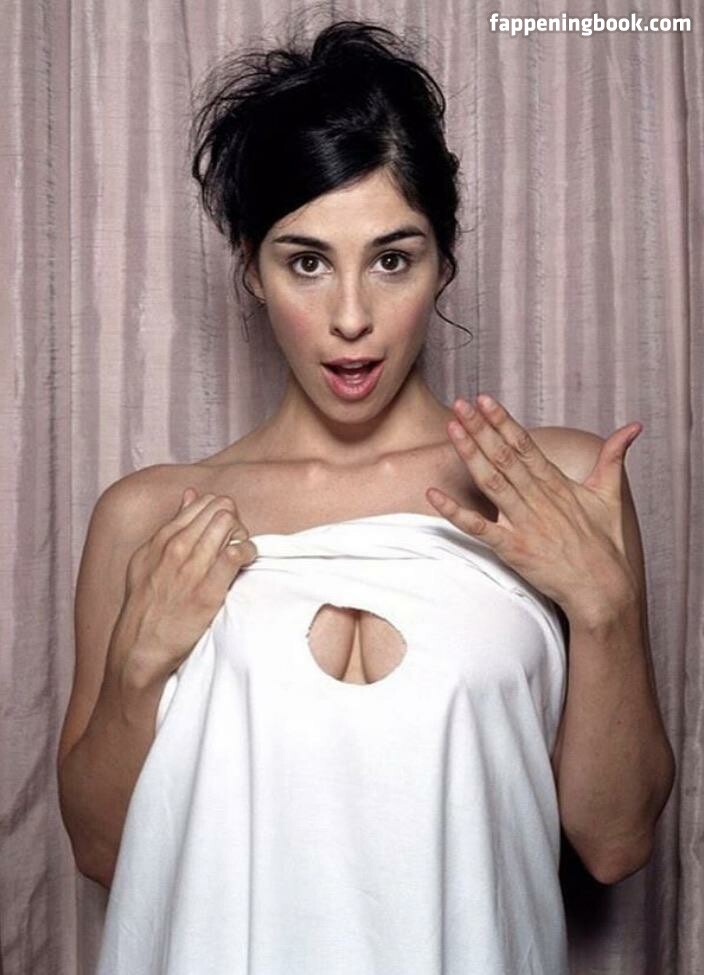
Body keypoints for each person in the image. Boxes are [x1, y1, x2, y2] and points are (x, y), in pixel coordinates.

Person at [57, 17, 675, 975]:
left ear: (444, 261)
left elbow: (616, 841)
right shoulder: (148, 515)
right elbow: (102, 853)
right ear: (252, 269)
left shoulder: (554, 483)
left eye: (393, 258)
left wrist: (604, 607)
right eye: (306, 261)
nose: (351, 317)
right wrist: (139, 669)